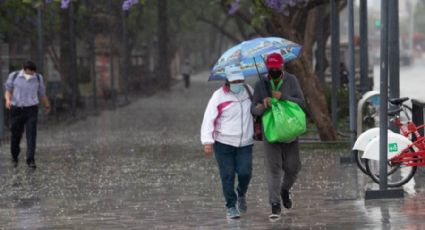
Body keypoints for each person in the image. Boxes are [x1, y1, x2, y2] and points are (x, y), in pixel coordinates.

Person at [251, 53, 305, 219]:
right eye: (271, 67)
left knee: (293, 166)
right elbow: (253, 109)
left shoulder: (291, 80)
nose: (274, 70)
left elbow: (301, 102)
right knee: (273, 168)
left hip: (290, 130)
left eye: (277, 67)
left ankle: (284, 190)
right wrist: (263, 105)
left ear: (282, 66)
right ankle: (274, 205)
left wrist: (284, 97)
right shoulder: (261, 84)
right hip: (271, 131)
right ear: (267, 67)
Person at [200, 65, 254, 219]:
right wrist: (207, 141)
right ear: (227, 81)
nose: (238, 83)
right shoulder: (218, 96)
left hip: (245, 142)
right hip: (224, 143)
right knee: (227, 175)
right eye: (234, 81)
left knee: (245, 173)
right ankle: (231, 205)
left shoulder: (249, 91)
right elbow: (208, 118)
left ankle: (241, 193)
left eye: (240, 80)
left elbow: (257, 109)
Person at [4, 60, 51, 168]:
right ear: (24, 70)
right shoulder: (14, 76)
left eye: (33, 72)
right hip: (17, 108)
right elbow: (8, 90)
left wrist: (47, 105)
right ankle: (14, 155)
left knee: (31, 134)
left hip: (31, 109)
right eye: (29, 72)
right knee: (16, 134)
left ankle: (30, 159)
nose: (31, 74)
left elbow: (42, 94)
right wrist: (7, 100)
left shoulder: (38, 78)